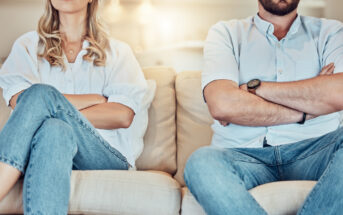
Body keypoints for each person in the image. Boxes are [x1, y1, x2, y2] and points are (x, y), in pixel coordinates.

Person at [184, 0, 343, 214]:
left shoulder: (332, 31)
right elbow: (223, 105)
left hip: (316, 151)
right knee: (201, 162)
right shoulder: (226, 33)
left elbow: (338, 93)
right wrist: (309, 109)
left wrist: (257, 88)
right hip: (246, 156)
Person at [0, 0, 148, 213]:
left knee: (41, 96)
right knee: (54, 129)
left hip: (103, 154)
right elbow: (21, 102)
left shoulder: (118, 51)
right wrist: (95, 98)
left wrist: (49, 106)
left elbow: (121, 115)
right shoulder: (27, 45)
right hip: (44, 146)